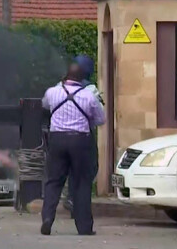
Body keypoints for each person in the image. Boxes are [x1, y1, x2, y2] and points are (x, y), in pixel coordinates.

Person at [41, 61, 106, 236]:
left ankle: (47, 218)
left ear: (66, 75)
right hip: (80, 141)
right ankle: (84, 227)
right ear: (82, 78)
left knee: (53, 181)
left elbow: (45, 105)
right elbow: (101, 120)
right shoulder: (89, 96)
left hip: (57, 140)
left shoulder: (52, 92)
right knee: (81, 183)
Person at [63, 55, 104, 215]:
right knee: (88, 169)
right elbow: (100, 116)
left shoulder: (59, 87)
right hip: (83, 135)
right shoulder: (90, 90)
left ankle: (70, 199)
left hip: (59, 134)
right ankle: (77, 203)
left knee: (69, 170)